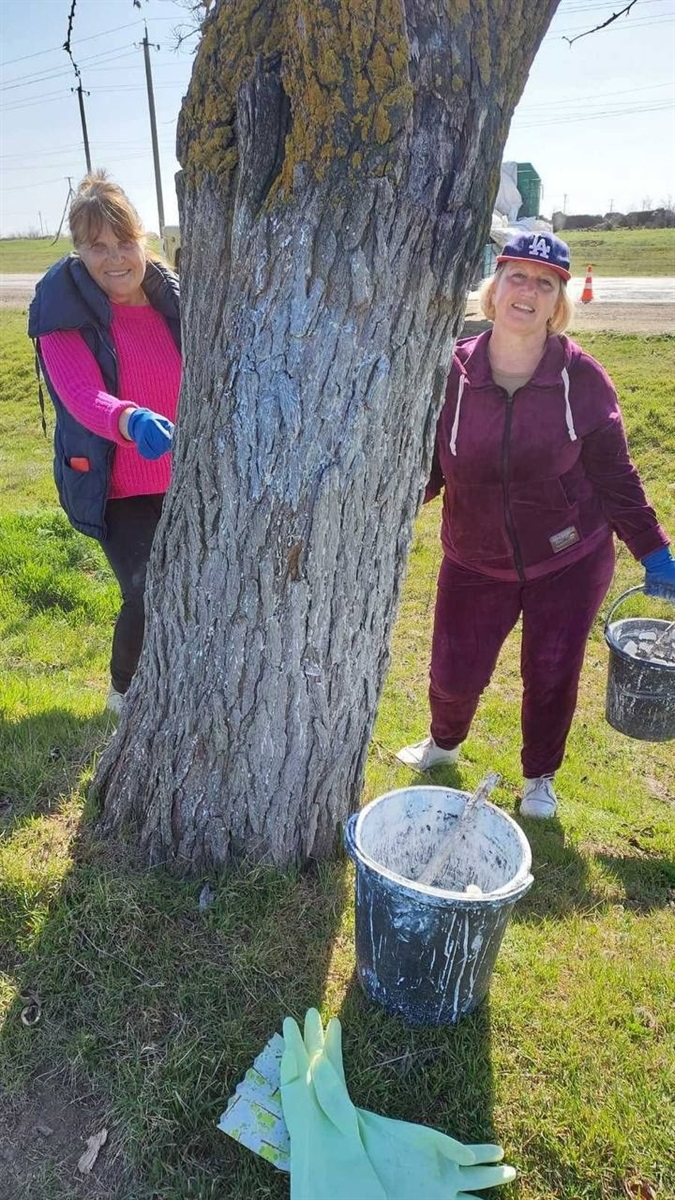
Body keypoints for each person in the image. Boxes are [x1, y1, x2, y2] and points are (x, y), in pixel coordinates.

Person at [397, 231, 675, 818]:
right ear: (494, 290)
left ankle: (539, 777)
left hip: (568, 559)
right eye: (516, 277)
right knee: (453, 667)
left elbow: (617, 478)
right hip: (472, 556)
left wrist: (654, 552)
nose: (527, 291)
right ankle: (444, 743)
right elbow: (428, 466)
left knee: (551, 673)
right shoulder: (448, 373)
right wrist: (382, 521)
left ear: (558, 301)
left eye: (544, 283)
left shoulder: (582, 379)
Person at [28, 171, 181, 715]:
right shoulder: (63, 313)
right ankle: (122, 692)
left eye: (124, 242)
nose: (115, 258)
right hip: (119, 487)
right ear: (79, 253)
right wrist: (131, 419)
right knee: (145, 590)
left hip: (187, 478)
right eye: (98, 247)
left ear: (142, 241)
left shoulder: (173, 300)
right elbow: (79, 393)